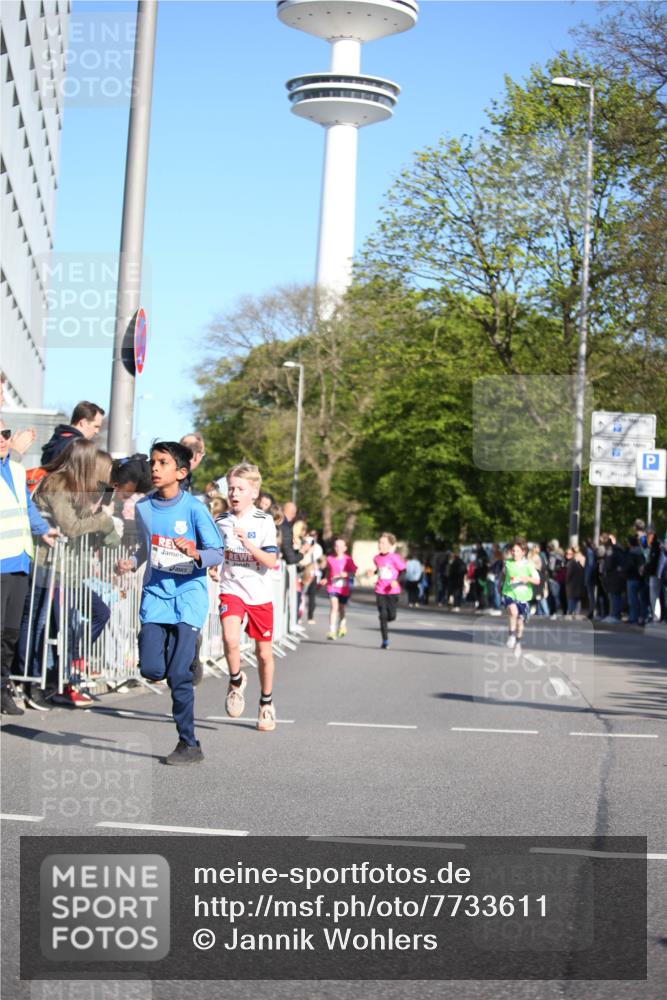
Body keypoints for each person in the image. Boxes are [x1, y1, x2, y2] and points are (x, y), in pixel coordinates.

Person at [116, 441, 223, 764]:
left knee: (178, 676)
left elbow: (217, 551)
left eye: (163, 463)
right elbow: (145, 549)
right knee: (151, 669)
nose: (155, 468)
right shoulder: (144, 508)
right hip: (156, 596)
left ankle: (189, 744)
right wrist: (131, 563)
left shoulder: (194, 509)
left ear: (181, 472)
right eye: (153, 462)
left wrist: (195, 552)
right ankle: (183, 656)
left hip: (188, 597)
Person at [23, 440, 118, 709]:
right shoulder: (60, 483)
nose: (109, 474)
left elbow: (105, 537)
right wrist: (103, 519)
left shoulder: (83, 490)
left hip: (71, 572)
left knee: (98, 613)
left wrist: (104, 518)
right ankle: (52, 680)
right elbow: (71, 527)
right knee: (51, 628)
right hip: (51, 569)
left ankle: (68, 669)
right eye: (107, 468)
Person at [215, 463, 280, 732]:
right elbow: (215, 553)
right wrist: (212, 567)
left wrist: (248, 544)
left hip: (259, 594)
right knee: (230, 638)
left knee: (263, 654)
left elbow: (271, 561)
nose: (234, 493)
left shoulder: (264, 522)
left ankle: (266, 703)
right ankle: (235, 680)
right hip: (231, 589)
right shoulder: (220, 521)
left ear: (254, 492)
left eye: (240, 488)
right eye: (231, 488)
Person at [0, 421, 58, 715]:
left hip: (21, 558)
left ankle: (2, 689)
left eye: (5, 434)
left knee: (10, 633)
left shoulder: (16, 469)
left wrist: (42, 529)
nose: (2, 439)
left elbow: (26, 505)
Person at [500, 537, 540, 658]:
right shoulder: (507, 563)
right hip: (509, 594)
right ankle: (511, 635)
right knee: (513, 612)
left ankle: (518, 642)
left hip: (524, 596)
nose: (514, 553)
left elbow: (537, 581)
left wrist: (526, 579)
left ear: (523, 552)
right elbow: (503, 575)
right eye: (513, 550)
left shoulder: (528, 565)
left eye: (517, 551)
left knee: (520, 620)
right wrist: (501, 585)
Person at [40, 401, 105, 465]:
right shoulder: (77, 446)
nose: (97, 431)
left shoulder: (57, 439)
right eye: (96, 426)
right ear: (83, 422)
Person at [373, 533, 406, 650]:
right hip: (380, 590)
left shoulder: (395, 557)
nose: (380, 544)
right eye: (379, 542)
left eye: (383, 543)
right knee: (383, 615)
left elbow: (403, 571)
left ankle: (386, 619)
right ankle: (385, 640)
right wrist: (373, 572)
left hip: (393, 591)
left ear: (390, 545)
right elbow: (379, 569)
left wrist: (397, 581)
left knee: (391, 616)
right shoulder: (376, 558)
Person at [325, 537, 357, 639]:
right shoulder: (329, 559)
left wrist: (346, 574)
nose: (338, 548)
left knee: (341, 608)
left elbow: (354, 572)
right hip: (332, 587)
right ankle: (332, 630)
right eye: (336, 546)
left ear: (345, 548)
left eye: (341, 546)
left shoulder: (348, 559)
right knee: (334, 607)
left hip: (344, 588)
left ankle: (342, 625)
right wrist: (325, 579)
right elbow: (328, 571)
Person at [300, 529, 323, 624]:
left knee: (312, 595)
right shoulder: (304, 545)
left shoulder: (318, 548)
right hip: (303, 572)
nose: (313, 536)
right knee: (301, 594)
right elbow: (302, 560)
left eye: (315, 534)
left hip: (313, 573)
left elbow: (319, 559)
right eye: (311, 534)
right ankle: (298, 616)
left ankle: (310, 616)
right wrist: (307, 550)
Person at [564, 545, 586, 617]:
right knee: (577, 599)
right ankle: (576, 613)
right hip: (579, 583)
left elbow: (569, 574)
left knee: (571, 599)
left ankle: (570, 613)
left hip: (572, 584)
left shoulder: (572, 562)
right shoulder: (583, 559)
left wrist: (566, 581)